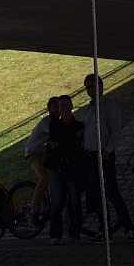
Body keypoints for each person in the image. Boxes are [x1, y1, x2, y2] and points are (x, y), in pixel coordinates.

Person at [82, 74, 134, 243]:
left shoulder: (110, 106)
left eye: (92, 86)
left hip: (104, 155)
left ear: (101, 86)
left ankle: (129, 228)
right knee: (97, 195)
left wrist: (108, 150)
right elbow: (88, 131)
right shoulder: (88, 108)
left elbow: (116, 130)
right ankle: (104, 229)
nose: (90, 90)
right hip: (90, 155)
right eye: (87, 87)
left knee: (113, 193)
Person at [45, 95, 83, 244]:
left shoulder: (79, 125)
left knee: (74, 200)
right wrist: (70, 139)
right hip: (56, 167)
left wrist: (62, 142)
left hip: (72, 167)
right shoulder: (54, 125)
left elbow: (68, 145)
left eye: (67, 105)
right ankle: (55, 234)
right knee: (57, 200)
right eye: (62, 106)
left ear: (72, 106)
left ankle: (74, 233)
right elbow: (60, 142)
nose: (65, 108)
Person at [24, 97, 60, 225]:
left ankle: (52, 206)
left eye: (59, 106)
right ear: (49, 109)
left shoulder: (57, 121)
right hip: (34, 153)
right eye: (54, 107)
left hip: (45, 153)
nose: (57, 109)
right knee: (43, 178)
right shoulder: (47, 121)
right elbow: (54, 134)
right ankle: (34, 210)